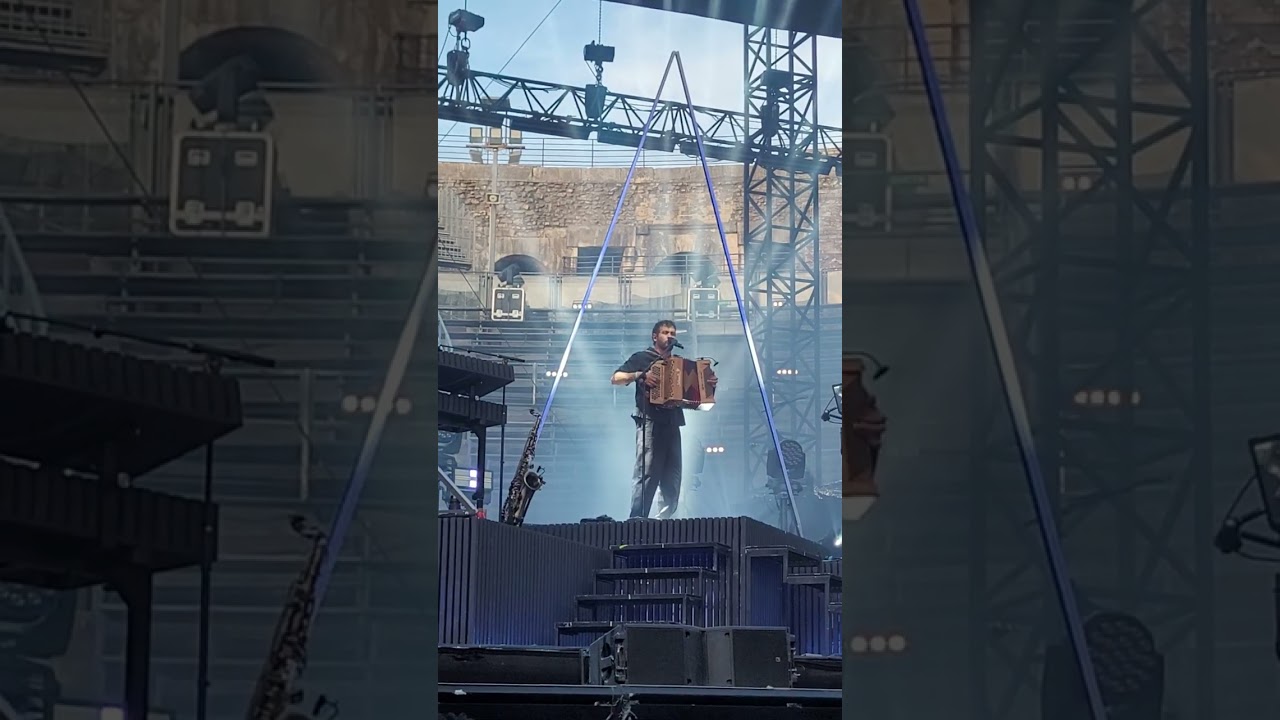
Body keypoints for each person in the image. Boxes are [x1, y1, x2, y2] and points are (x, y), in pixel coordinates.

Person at [610, 320, 716, 519]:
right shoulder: (642, 358)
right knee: (647, 473)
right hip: (649, 420)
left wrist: (708, 386)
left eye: (672, 333)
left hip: (673, 422)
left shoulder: (679, 363)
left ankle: (664, 522)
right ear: (655, 336)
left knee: (673, 477)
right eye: (665, 332)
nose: (670, 336)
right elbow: (615, 378)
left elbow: (693, 401)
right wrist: (640, 375)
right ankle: (637, 519)